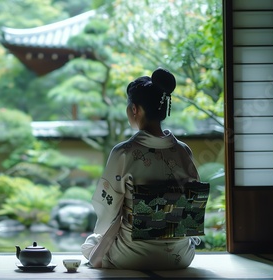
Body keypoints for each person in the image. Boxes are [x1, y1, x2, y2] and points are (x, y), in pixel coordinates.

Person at [81, 68, 200, 270]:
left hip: (131, 255)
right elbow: (193, 208)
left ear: (135, 109)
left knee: (92, 244)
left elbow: (107, 210)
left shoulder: (124, 153)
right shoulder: (183, 151)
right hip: (180, 257)